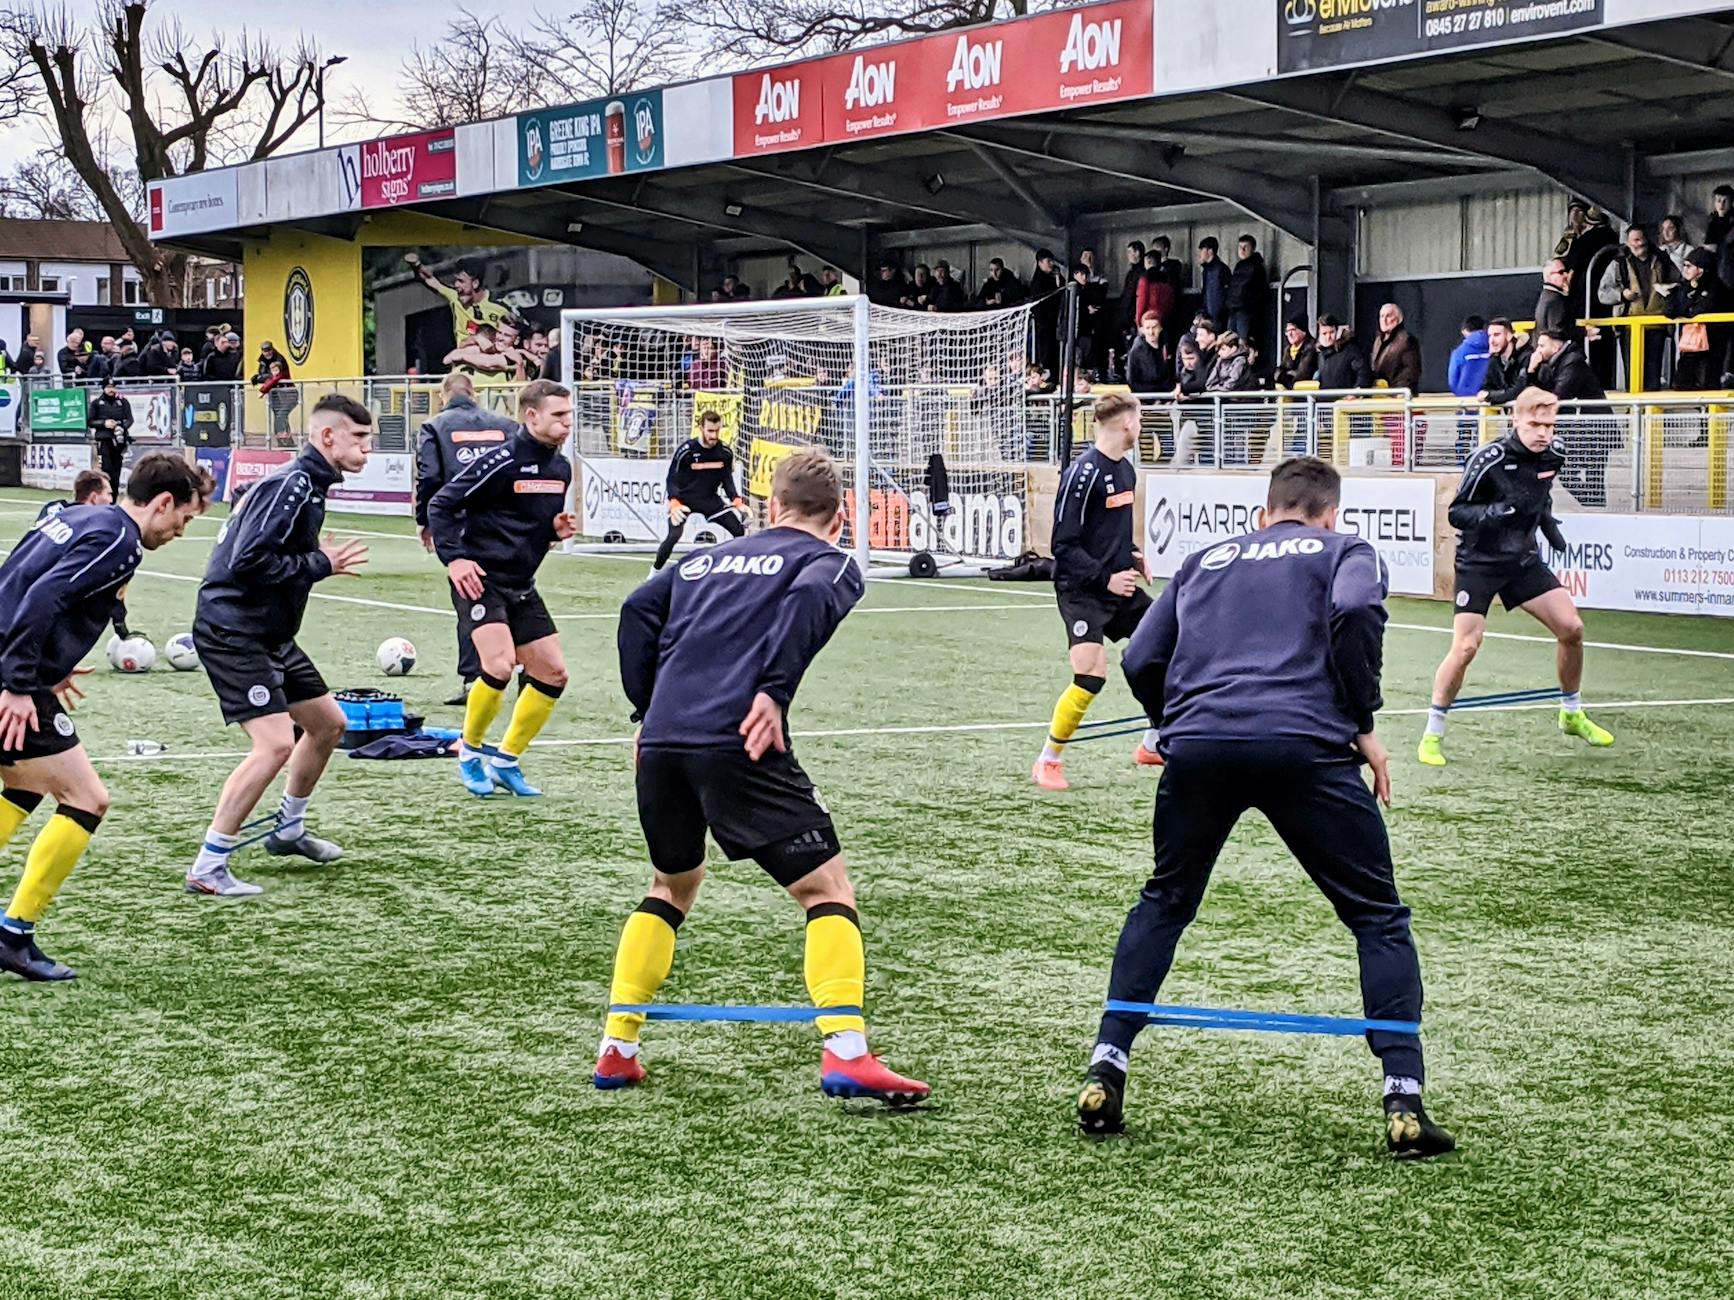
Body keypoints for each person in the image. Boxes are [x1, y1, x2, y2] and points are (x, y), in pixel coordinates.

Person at [1076, 456, 1453, 1158]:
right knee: (1377, 917)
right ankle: (1403, 1096)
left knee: (1164, 902)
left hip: (1201, 749)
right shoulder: (1348, 550)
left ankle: (1107, 1062)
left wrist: (1170, 725)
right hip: (1305, 747)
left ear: (1262, 513)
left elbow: (1138, 660)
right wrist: (1362, 719)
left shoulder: (1205, 559)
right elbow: (1358, 609)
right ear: (1330, 513)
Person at [599, 448, 929, 1105]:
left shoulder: (704, 559)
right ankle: (846, 1054)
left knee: (671, 884)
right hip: (738, 738)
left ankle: (618, 1047)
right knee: (825, 887)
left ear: (769, 505)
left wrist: (646, 708)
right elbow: (807, 599)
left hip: (663, 741)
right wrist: (773, 691)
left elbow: (637, 609)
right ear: (839, 518)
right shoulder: (829, 561)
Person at [0, 454, 206, 979]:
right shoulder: (120, 539)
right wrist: (21, 682)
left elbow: (19, 579)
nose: (181, 530)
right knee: (88, 799)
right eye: (184, 518)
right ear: (162, 503)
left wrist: (46, 667)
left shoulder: (75, 515)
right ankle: (14, 937)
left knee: (27, 786)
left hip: (16, 670)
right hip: (11, 681)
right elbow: (43, 593)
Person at [185, 396, 374, 897]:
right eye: (359, 438)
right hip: (234, 631)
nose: (367, 449)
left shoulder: (305, 483)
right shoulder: (292, 484)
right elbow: (247, 563)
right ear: (327, 436)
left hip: (269, 633)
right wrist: (321, 565)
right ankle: (209, 864)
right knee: (274, 744)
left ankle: (287, 828)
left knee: (329, 724)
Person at [1419, 386, 1613, 768]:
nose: (1543, 432)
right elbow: (1458, 513)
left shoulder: (1554, 455)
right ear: (1516, 420)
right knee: (1466, 647)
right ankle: (1432, 731)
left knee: (1572, 628)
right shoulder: (1489, 458)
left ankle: (1571, 712)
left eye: (1550, 425)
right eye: (1535, 424)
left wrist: (1548, 524)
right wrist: (1498, 513)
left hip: (1522, 561)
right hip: (1479, 563)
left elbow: (1538, 495)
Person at [427, 380, 577, 800]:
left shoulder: (559, 468)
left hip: (521, 585)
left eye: (569, 415)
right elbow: (441, 504)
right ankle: (469, 751)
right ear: (531, 416)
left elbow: (526, 524)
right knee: (498, 664)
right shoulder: (501, 460)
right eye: (558, 416)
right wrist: (454, 559)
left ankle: (507, 760)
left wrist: (554, 530)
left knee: (553, 672)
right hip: (480, 580)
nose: (568, 423)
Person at [1032, 393, 1153, 792]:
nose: (1141, 424)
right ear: (1125, 423)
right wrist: (1105, 580)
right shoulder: (1081, 474)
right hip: (1082, 588)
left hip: (1117, 581)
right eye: (1139, 417)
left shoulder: (1127, 471)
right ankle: (1048, 760)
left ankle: (1155, 742)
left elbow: (1109, 533)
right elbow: (1063, 548)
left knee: (1167, 644)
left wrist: (1133, 555)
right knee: (1090, 673)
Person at [416, 372, 520, 705]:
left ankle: (476, 677)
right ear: (474, 393)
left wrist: (425, 520)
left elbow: (429, 477)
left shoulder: (435, 427)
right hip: (508, 524)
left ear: (442, 396)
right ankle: (527, 668)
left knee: (471, 596)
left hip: (462, 525)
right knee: (517, 592)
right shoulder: (506, 426)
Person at [653, 410, 746, 571]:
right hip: (683, 501)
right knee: (673, 536)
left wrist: (737, 501)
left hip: (709, 500)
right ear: (700, 428)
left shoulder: (725, 452)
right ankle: (654, 573)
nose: (714, 435)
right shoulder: (686, 451)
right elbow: (672, 479)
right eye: (710, 431)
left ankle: (738, 573)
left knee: (739, 531)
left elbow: (727, 480)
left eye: (717, 431)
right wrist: (674, 503)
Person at [1597, 224, 1678, 389]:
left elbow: (1679, 282)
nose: (1639, 243)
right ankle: (1633, 411)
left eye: (1641, 239)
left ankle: (1651, 413)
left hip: (1657, 324)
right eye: (1635, 240)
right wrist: (1621, 295)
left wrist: (1668, 289)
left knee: (1653, 375)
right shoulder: (1618, 263)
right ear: (1627, 242)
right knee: (1632, 374)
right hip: (1629, 325)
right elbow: (1602, 293)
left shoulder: (1662, 259)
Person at [1666, 247, 1734, 391]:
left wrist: (1686, 308)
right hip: (1692, 341)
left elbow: (1702, 308)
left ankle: (1709, 412)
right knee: (1683, 378)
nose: (1685, 269)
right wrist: (1687, 308)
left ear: (1701, 269)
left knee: (1709, 378)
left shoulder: (1716, 286)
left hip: (1713, 340)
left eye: (1689, 266)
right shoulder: (1685, 286)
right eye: (1684, 265)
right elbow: (1670, 310)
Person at [406, 253, 515, 343]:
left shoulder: (500, 308)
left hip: (490, 365)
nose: (456, 285)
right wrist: (417, 265)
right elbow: (428, 279)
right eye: (456, 280)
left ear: (475, 283)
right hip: (462, 365)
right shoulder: (455, 297)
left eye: (461, 281)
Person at [1226, 234, 1270, 351]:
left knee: (1244, 342)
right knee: (1229, 341)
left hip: (1246, 311)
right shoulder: (1238, 266)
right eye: (1240, 247)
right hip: (1234, 309)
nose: (1242, 250)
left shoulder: (1257, 267)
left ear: (1253, 248)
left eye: (1246, 247)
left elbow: (1260, 292)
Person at [88, 379, 133, 492]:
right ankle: (104, 495)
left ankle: (113, 498)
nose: (111, 389)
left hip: (119, 440)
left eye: (113, 387)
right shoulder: (97, 403)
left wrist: (121, 427)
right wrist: (104, 423)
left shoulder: (122, 402)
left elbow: (130, 419)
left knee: (116, 471)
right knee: (106, 469)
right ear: (103, 388)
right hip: (104, 440)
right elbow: (90, 421)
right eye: (108, 387)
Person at [1477, 318, 1532, 407]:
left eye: (1496, 335)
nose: (1491, 340)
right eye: (1490, 336)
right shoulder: (1494, 360)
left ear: (1509, 336)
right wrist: (1493, 395)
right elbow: (1485, 388)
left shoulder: (1527, 356)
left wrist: (1490, 396)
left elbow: (1519, 390)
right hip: (1511, 417)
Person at [1028, 250, 1064, 376]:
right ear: (1040, 263)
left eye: (1052, 261)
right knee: (1046, 354)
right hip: (1044, 325)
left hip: (1056, 323)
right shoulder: (1038, 282)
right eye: (1048, 261)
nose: (1051, 264)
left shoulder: (1054, 277)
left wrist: (1058, 278)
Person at [1371, 304, 1422, 391]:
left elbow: (1411, 370)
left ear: (1398, 319)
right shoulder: (1378, 340)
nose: (1384, 320)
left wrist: (1398, 390)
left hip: (1397, 395)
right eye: (1382, 316)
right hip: (1379, 393)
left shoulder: (1406, 340)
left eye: (1388, 316)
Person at [1315, 315, 1373, 390]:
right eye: (1324, 333)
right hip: (1325, 399)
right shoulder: (1321, 354)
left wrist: (1356, 393)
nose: (1328, 337)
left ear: (1337, 331)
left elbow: (1364, 373)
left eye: (1331, 332)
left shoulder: (1351, 350)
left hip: (1345, 399)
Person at [1125, 312, 1173, 397]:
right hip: (1145, 398)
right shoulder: (1136, 351)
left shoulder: (1167, 346)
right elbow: (1132, 382)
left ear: (1160, 328)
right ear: (1142, 329)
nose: (1151, 332)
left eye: (1154, 327)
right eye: (1148, 328)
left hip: (1167, 396)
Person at [258, 359, 299, 437]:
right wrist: (264, 389)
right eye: (273, 370)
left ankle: (284, 433)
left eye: (276, 370)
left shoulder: (282, 375)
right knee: (282, 414)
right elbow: (269, 382)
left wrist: (263, 391)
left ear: (280, 370)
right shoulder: (272, 378)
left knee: (282, 414)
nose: (275, 372)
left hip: (292, 398)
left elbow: (274, 381)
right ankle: (286, 434)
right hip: (285, 399)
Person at [1274, 316, 1318, 388]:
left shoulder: (1312, 347)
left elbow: (1302, 376)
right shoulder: (1288, 350)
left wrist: (1284, 375)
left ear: (1303, 331)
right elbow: (1278, 372)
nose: (1290, 334)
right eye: (1287, 331)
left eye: (1293, 330)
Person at [1195, 238, 1228, 327]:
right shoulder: (1207, 270)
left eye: (1202, 250)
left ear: (1210, 251)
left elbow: (1220, 296)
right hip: (1210, 316)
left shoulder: (1220, 270)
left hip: (1218, 318)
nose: (1200, 254)